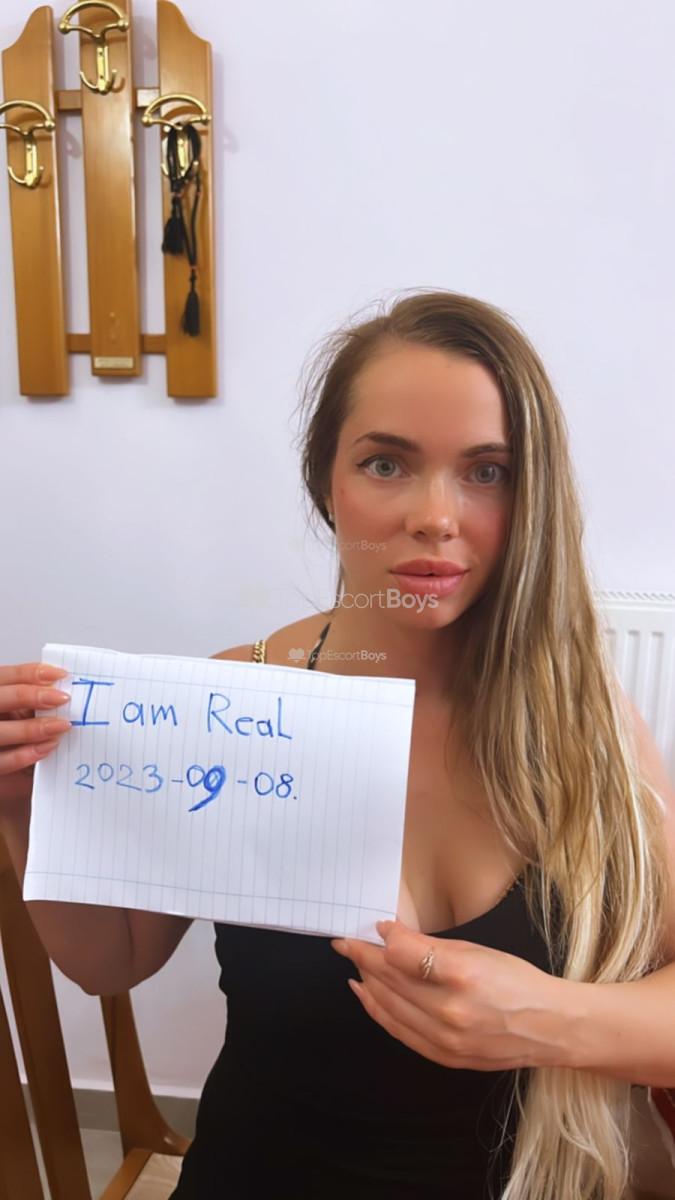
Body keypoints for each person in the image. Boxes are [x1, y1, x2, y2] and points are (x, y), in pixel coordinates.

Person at [1, 290, 674, 1200]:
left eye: (487, 471)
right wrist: (20, 802)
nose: (435, 516)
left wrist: (546, 1021)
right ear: (326, 481)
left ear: (533, 496)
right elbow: (110, 961)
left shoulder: (585, 725)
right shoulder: (235, 698)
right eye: (386, 463)